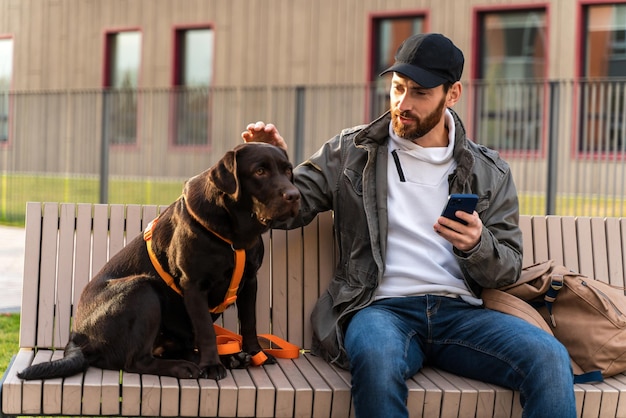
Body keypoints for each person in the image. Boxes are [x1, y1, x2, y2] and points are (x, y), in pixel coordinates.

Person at [242, 33, 575, 418]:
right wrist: (270, 173)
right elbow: (289, 213)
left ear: (452, 95)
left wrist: (476, 244)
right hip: (379, 309)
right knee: (378, 359)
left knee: (550, 358)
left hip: (461, 314)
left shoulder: (488, 170)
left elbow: (508, 267)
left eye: (419, 92)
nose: (403, 104)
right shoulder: (351, 152)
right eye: (398, 89)